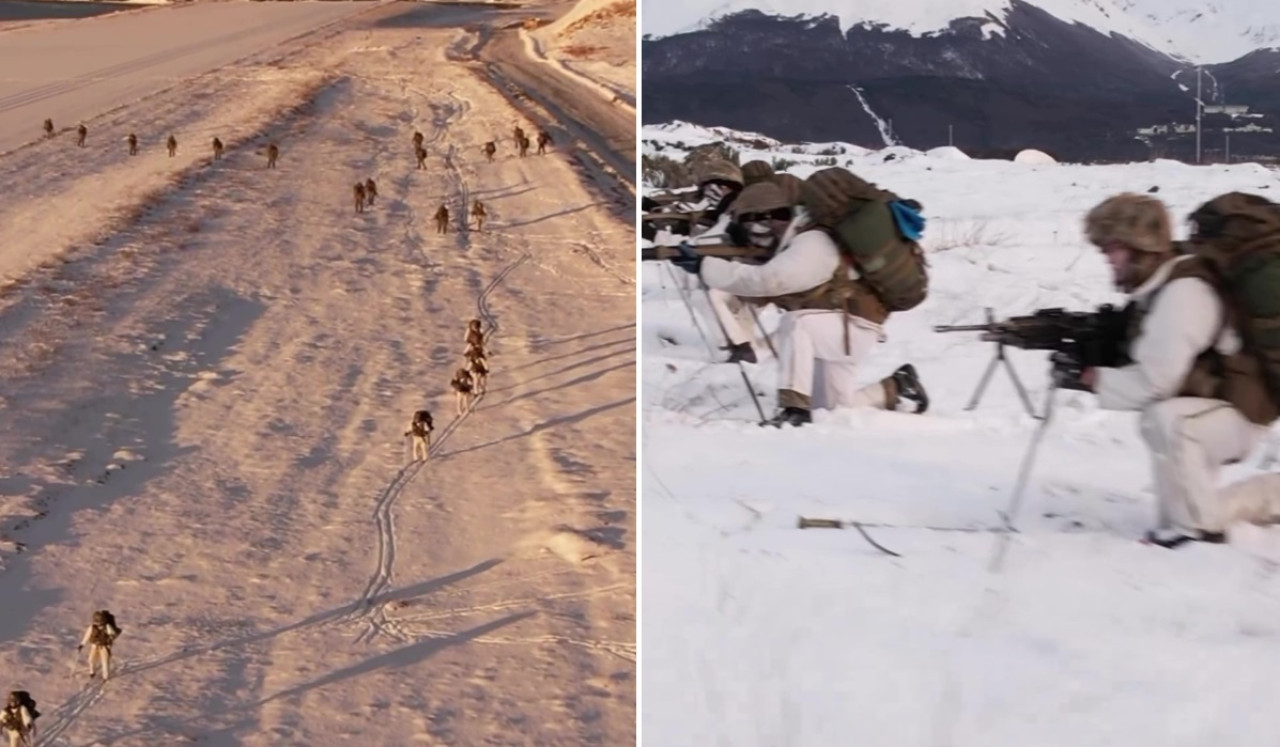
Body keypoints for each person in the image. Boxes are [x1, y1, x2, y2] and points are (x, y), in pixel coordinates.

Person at [1068, 192, 1280, 547]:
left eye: (1113, 246)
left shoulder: (1185, 293)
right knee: (1163, 431)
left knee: (1171, 423)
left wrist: (1094, 380)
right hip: (1219, 403)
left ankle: (1206, 525)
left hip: (1244, 413)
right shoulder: (1163, 283)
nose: (1107, 256)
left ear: (1140, 246)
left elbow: (1156, 380)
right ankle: (1186, 520)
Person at [667, 176, 928, 427]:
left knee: (796, 324)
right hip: (844, 326)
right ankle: (898, 388)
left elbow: (771, 280)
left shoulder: (812, 242)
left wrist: (705, 267)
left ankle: (794, 410)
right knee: (831, 410)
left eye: (753, 223)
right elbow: (766, 282)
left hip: (851, 326)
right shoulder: (797, 240)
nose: (753, 232)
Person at [79, 609, 121, 680]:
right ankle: (92, 672)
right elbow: (87, 635)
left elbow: (113, 634)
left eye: (98, 622)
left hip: (104, 646)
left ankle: (105, 676)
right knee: (90, 660)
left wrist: (109, 640)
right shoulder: (92, 627)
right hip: (94, 646)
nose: (97, 623)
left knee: (105, 661)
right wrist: (82, 644)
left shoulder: (107, 627)